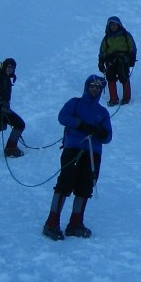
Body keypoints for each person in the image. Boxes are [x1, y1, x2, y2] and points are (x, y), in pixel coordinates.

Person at [42, 74, 114, 240]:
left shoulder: (102, 112)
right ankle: (51, 222)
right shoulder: (75, 103)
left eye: (98, 87)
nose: (94, 89)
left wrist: (101, 132)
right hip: (74, 148)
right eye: (92, 85)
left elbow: (108, 137)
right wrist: (80, 124)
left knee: (85, 186)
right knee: (65, 183)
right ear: (87, 87)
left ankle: (75, 223)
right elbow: (63, 117)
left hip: (93, 152)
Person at [97, 15, 137, 106]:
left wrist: (132, 59)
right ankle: (113, 99)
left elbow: (132, 47)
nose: (114, 27)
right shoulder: (107, 38)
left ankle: (126, 98)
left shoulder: (126, 35)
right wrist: (101, 63)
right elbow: (102, 51)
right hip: (110, 60)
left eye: (115, 25)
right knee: (110, 78)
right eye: (112, 25)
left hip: (123, 60)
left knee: (124, 77)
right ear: (109, 26)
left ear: (119, 25)